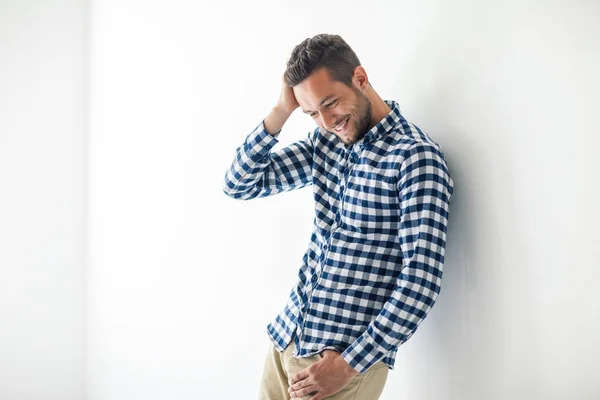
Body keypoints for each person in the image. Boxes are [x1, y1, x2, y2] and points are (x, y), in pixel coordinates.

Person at [222, 33, 455, 400]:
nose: (328, 121)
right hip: (286, 342)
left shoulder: (414, 159)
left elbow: (420, 283)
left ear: (360, 79)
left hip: (336, 368)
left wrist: (349, 365)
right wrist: (282, 110)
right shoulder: (327, 143)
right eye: (313, 113)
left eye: (330, 103)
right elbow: (240, 183)